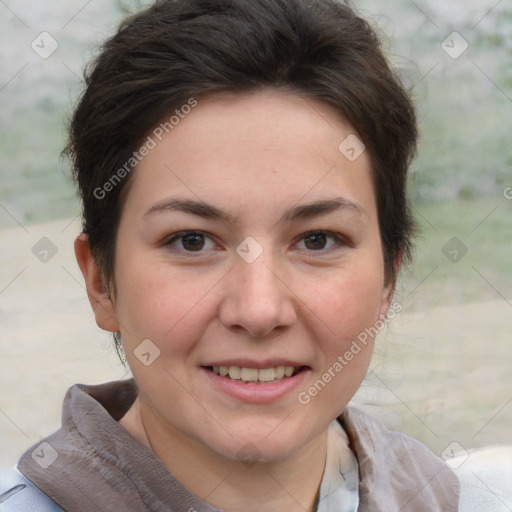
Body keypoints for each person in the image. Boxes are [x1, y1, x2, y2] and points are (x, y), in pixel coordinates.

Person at [0, 0, 469, 510]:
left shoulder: (447, 496)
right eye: (192, 241)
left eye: (317, 240)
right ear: (101, 283)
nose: (259, 310)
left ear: (388, 282)